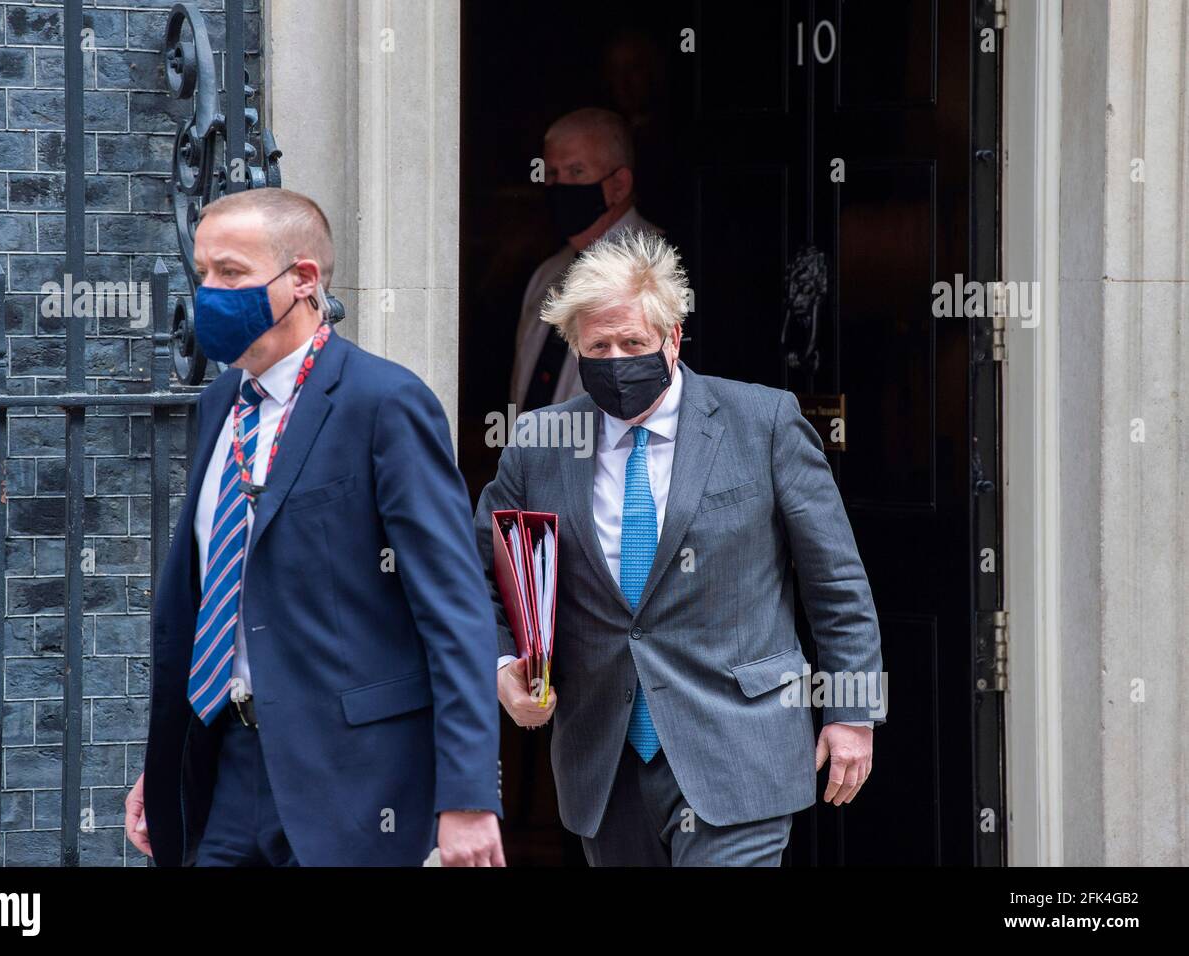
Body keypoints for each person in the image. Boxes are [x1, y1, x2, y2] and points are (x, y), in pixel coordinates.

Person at [476, 230, 885, 866]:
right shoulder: (540, 442)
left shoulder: (763, 422)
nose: (616, 360)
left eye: (633, 343)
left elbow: (836, 581)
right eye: (598, 347)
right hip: (604, 762)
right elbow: (482, 575)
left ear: (673, 336)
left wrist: (854, 710)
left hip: (739, 747)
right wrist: (504, 668)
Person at [125, 187, 504, 866]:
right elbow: (215, 597)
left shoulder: (384, 404)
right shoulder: (219, 405)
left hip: (354, 786)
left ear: (303, 280)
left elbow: (455, 613)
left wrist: (468, 797)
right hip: (226, 768)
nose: (209, 291)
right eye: (203, 271)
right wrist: (163, 761)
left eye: (232, 274)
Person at [511, 107, 662, 411]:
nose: (560, 187)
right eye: (552, 174)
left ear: (619, 185)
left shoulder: (659, 268)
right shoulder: (547, 275)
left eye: (576, 172)